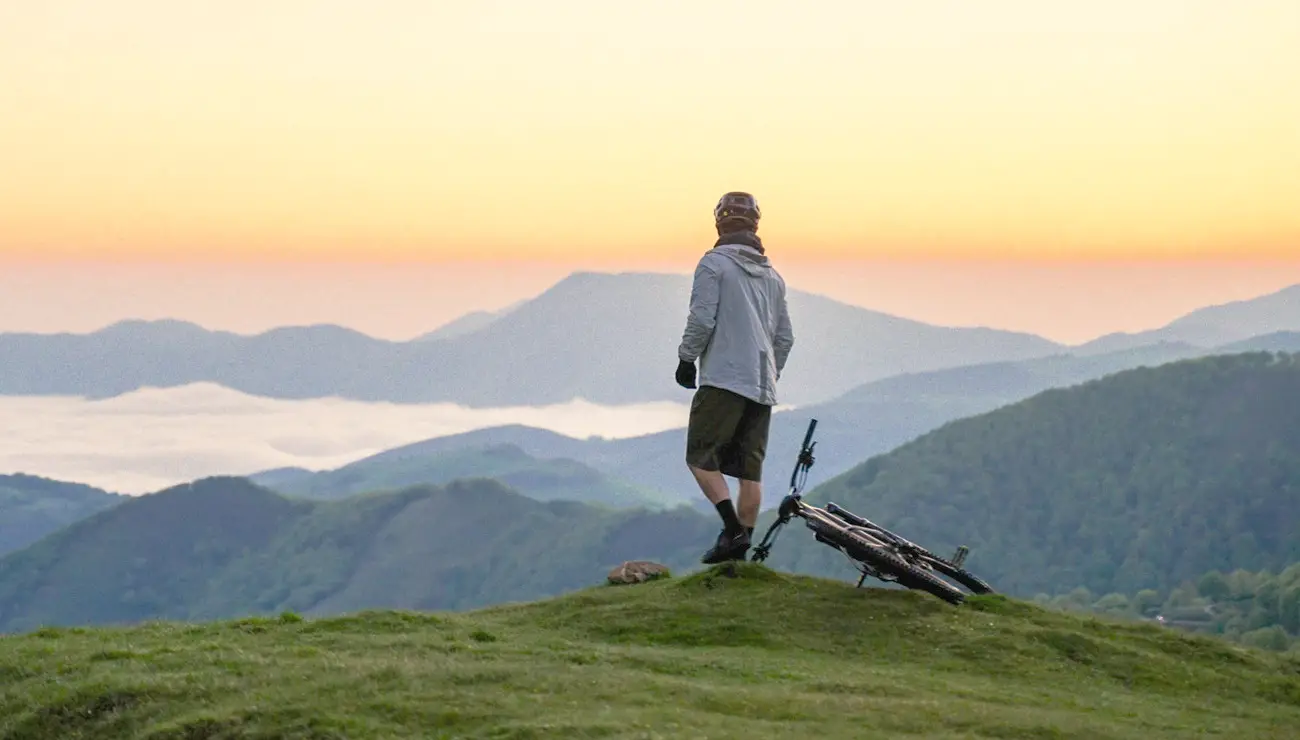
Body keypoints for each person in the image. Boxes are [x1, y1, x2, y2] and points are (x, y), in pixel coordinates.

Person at [675, 191, 794, 564]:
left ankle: (733, 533)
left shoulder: (714, 265)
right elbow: (785, 337)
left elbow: (702, 319)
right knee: (749, 472)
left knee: (700, 458)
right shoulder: (774, 277)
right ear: (755, 224)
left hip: (724, 378)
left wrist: (685, 359)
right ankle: (739, 556)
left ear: (720, 223)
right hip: (762, 385)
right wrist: (771, 371)